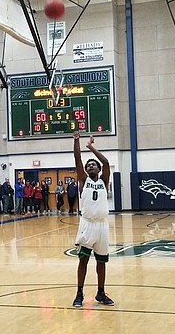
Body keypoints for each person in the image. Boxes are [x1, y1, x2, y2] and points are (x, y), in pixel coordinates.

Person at [71, 131, 114, 308]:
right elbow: (77, 159)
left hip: (102, 225)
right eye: (88, 165)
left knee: (101, 262)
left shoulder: (104, 180)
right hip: (87, 224)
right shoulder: (83, 180)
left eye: (93, 165)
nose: (90, 167)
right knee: (83, 260)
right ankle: (79, 293)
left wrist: (91, 148)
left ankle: (101, 292)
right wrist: (77, 141)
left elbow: (106, 163)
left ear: (98, 169)